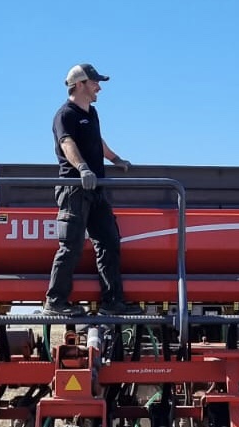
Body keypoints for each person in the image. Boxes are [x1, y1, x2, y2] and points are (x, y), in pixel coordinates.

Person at [44, 63, 141, 316]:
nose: (99, 87)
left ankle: (113, 303)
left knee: (109, 242)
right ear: (80, 84)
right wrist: (83, 169)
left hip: (97, 189)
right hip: (74, 188)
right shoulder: (65, 114)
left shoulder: (92, 114)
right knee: (71, 245)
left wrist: (116, 159)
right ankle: (55, 302)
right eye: (95, 82)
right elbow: (67, 143)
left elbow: (97, 140)